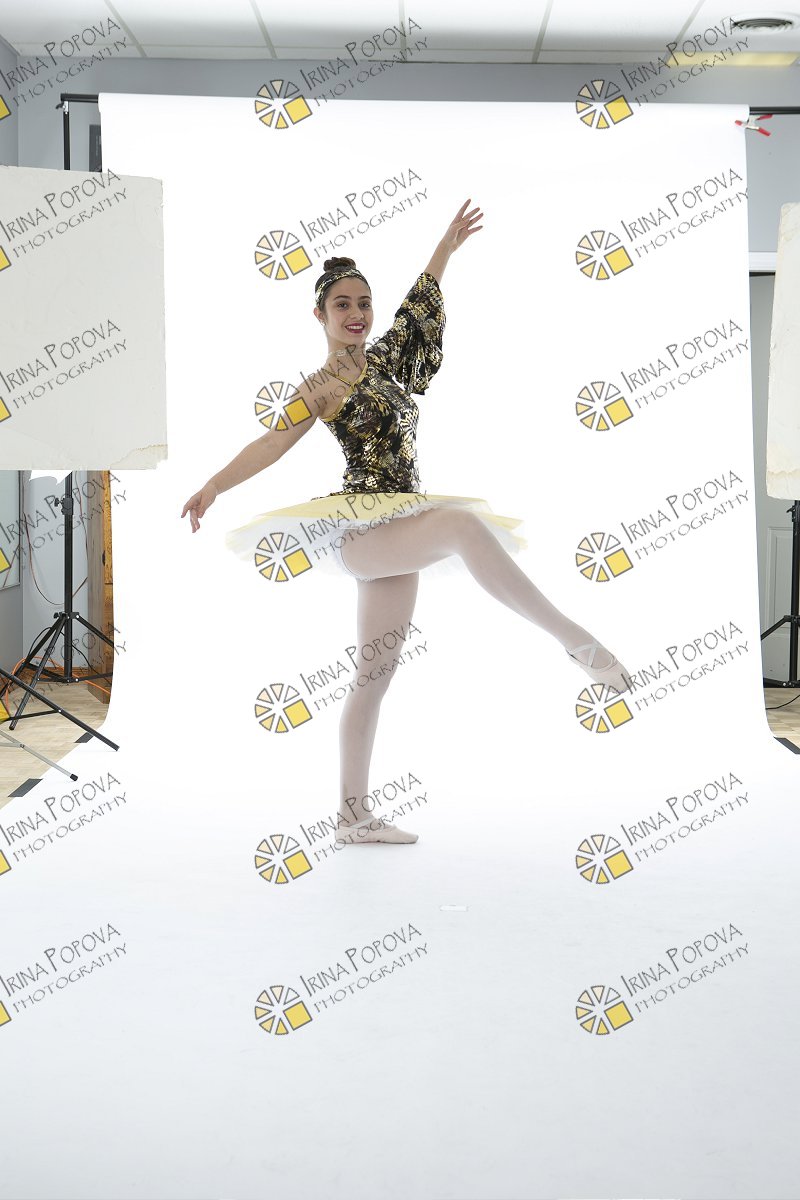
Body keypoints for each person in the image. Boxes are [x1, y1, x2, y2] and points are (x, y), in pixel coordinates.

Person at [181, 199, 631, 846]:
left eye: (364, 303)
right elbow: (271, 444)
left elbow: (419, 306)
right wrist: (213, 486)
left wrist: (445, 248)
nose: (358, 313)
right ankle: (580, 644)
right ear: (319, 315)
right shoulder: (321, 385)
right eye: (343, 305)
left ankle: (352, 818)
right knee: (463, 527)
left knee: (373, 678)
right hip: (361, 531)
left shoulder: (389, 359)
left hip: (402, 521)